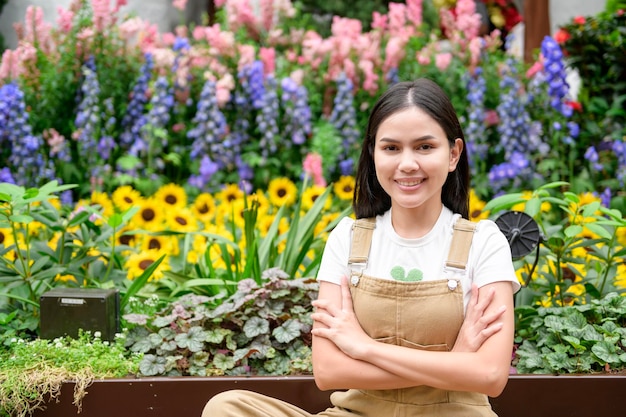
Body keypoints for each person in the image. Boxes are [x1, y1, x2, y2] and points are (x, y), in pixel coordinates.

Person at [202, 78, 520, 416]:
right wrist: (455, 363)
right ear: (373, 153)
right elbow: (329, 372)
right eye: (391, 148)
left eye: (425, 147)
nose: (408, 163)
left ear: (453, 153)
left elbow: (489, 374)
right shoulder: (348, 238)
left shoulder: (483, 242)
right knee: (226, 408)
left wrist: (362, 347)